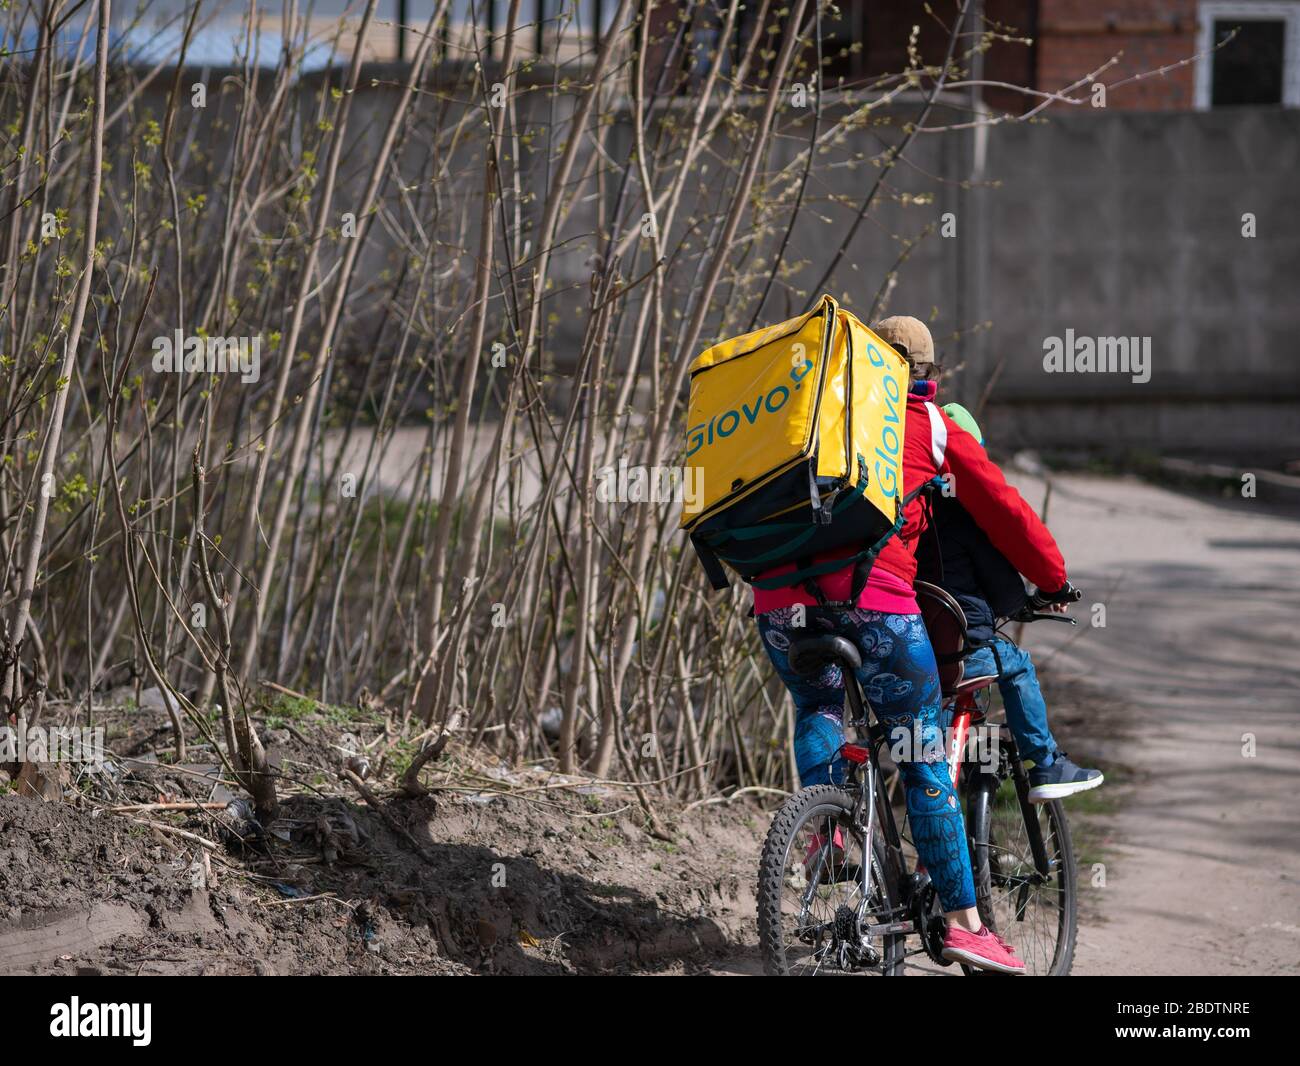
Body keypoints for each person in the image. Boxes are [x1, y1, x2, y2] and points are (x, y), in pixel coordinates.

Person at [752, 314, 1071, 974]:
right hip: (875, 602)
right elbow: (1006, 511)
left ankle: (835, 838)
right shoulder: (929, 422)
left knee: (819, 707)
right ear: (931, 374)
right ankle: (964, 923)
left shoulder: (809, 408)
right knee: (925, 751)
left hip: (780, 600)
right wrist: (1054, 578)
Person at [915, 402, 1104, 802]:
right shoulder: (961, 513)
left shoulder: (908, 510)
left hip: (911, 648)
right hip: (962, 652)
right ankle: (1045, 761)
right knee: (1017, 665)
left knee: (929, 723)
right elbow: (1003, 589)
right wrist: (1028, 601)